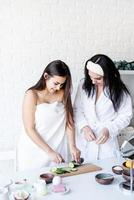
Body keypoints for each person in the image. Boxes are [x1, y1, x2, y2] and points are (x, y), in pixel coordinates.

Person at [18, 60, 80, 171]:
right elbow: (29, 129)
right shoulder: (32, 95)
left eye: (62, 84)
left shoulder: (63, 93)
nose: (58, 88)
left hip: (58, 149)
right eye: (56, 83)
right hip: (34, 150)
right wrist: (49, 152)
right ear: (46, 76)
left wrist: (73, 146)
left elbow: (69, 123)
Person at [74, 54, 133, 162]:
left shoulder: (119, 91)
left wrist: (109, 129)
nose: (93, 81)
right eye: (90, 77)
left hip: (107, 145)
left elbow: (126, 116)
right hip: (85, 141)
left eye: (98, 78)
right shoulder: (83, 84)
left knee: (107, 173)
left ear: (108, 75)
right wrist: (84, 127)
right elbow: (77, 109)